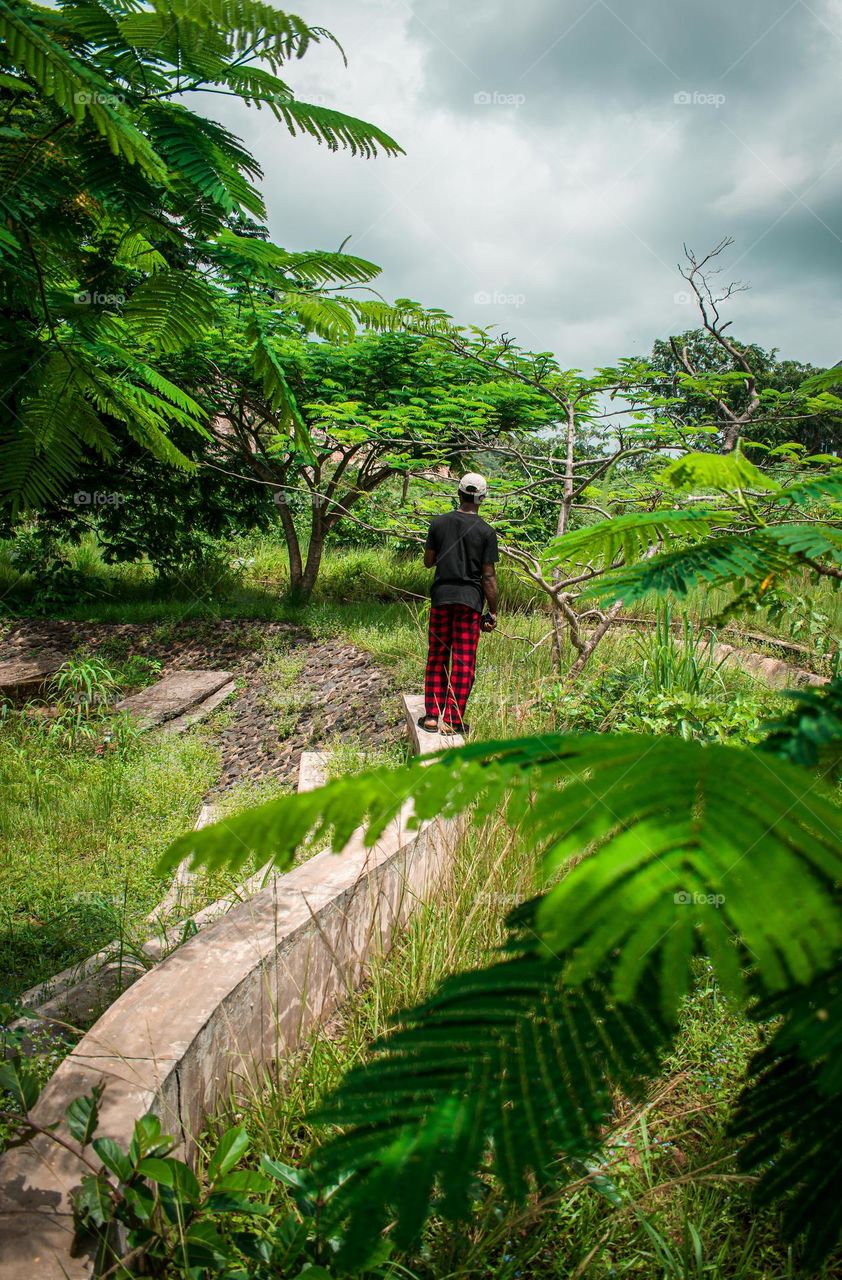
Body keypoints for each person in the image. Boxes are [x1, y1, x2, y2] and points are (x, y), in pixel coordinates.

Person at [420, 472, 499, 735]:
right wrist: (493, 611)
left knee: (437, 657)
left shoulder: (438, 523)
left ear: (459, 493)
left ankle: (432, 717)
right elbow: (488, 576)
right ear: (482, 498)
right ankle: (453, 721)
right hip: (470, 603)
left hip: (441, 599)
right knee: (464, 662)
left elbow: (428, 562)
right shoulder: (487, 532)